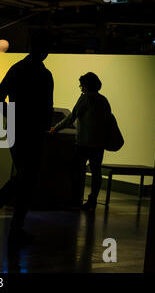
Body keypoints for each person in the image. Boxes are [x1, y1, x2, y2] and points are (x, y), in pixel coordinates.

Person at [0, 30, 54, 245]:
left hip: (17, 130)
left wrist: (14, 118)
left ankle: (10, 224)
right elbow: (46, 108)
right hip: (32, 132)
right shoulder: (44, 75)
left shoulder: (18, 69)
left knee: (25, 177)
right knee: (27, 177)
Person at [49, 72, 111, 212]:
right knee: (96, 172)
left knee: (75, 170)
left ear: (86, 85)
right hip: (99, 144)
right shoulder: (104, 100)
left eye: (82, 85)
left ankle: (74, 200)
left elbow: (72, 117)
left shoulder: (86, 98)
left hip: (84, 143)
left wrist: (55, 128)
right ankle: (92, 200)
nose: (81, 88)